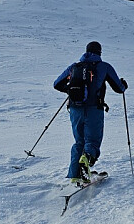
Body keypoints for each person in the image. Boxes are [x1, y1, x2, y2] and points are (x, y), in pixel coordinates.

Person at [53, 41, 127, 185]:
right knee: (92, 141)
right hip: (94, 109)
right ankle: (86, 159)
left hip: (75, 109)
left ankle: (75, 175)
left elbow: (57, 84)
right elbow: (119, 88)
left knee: (79, 141)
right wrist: (124, 84)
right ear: (99, 52)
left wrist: (70, 90)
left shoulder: (75, 67)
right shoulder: (104, 66)